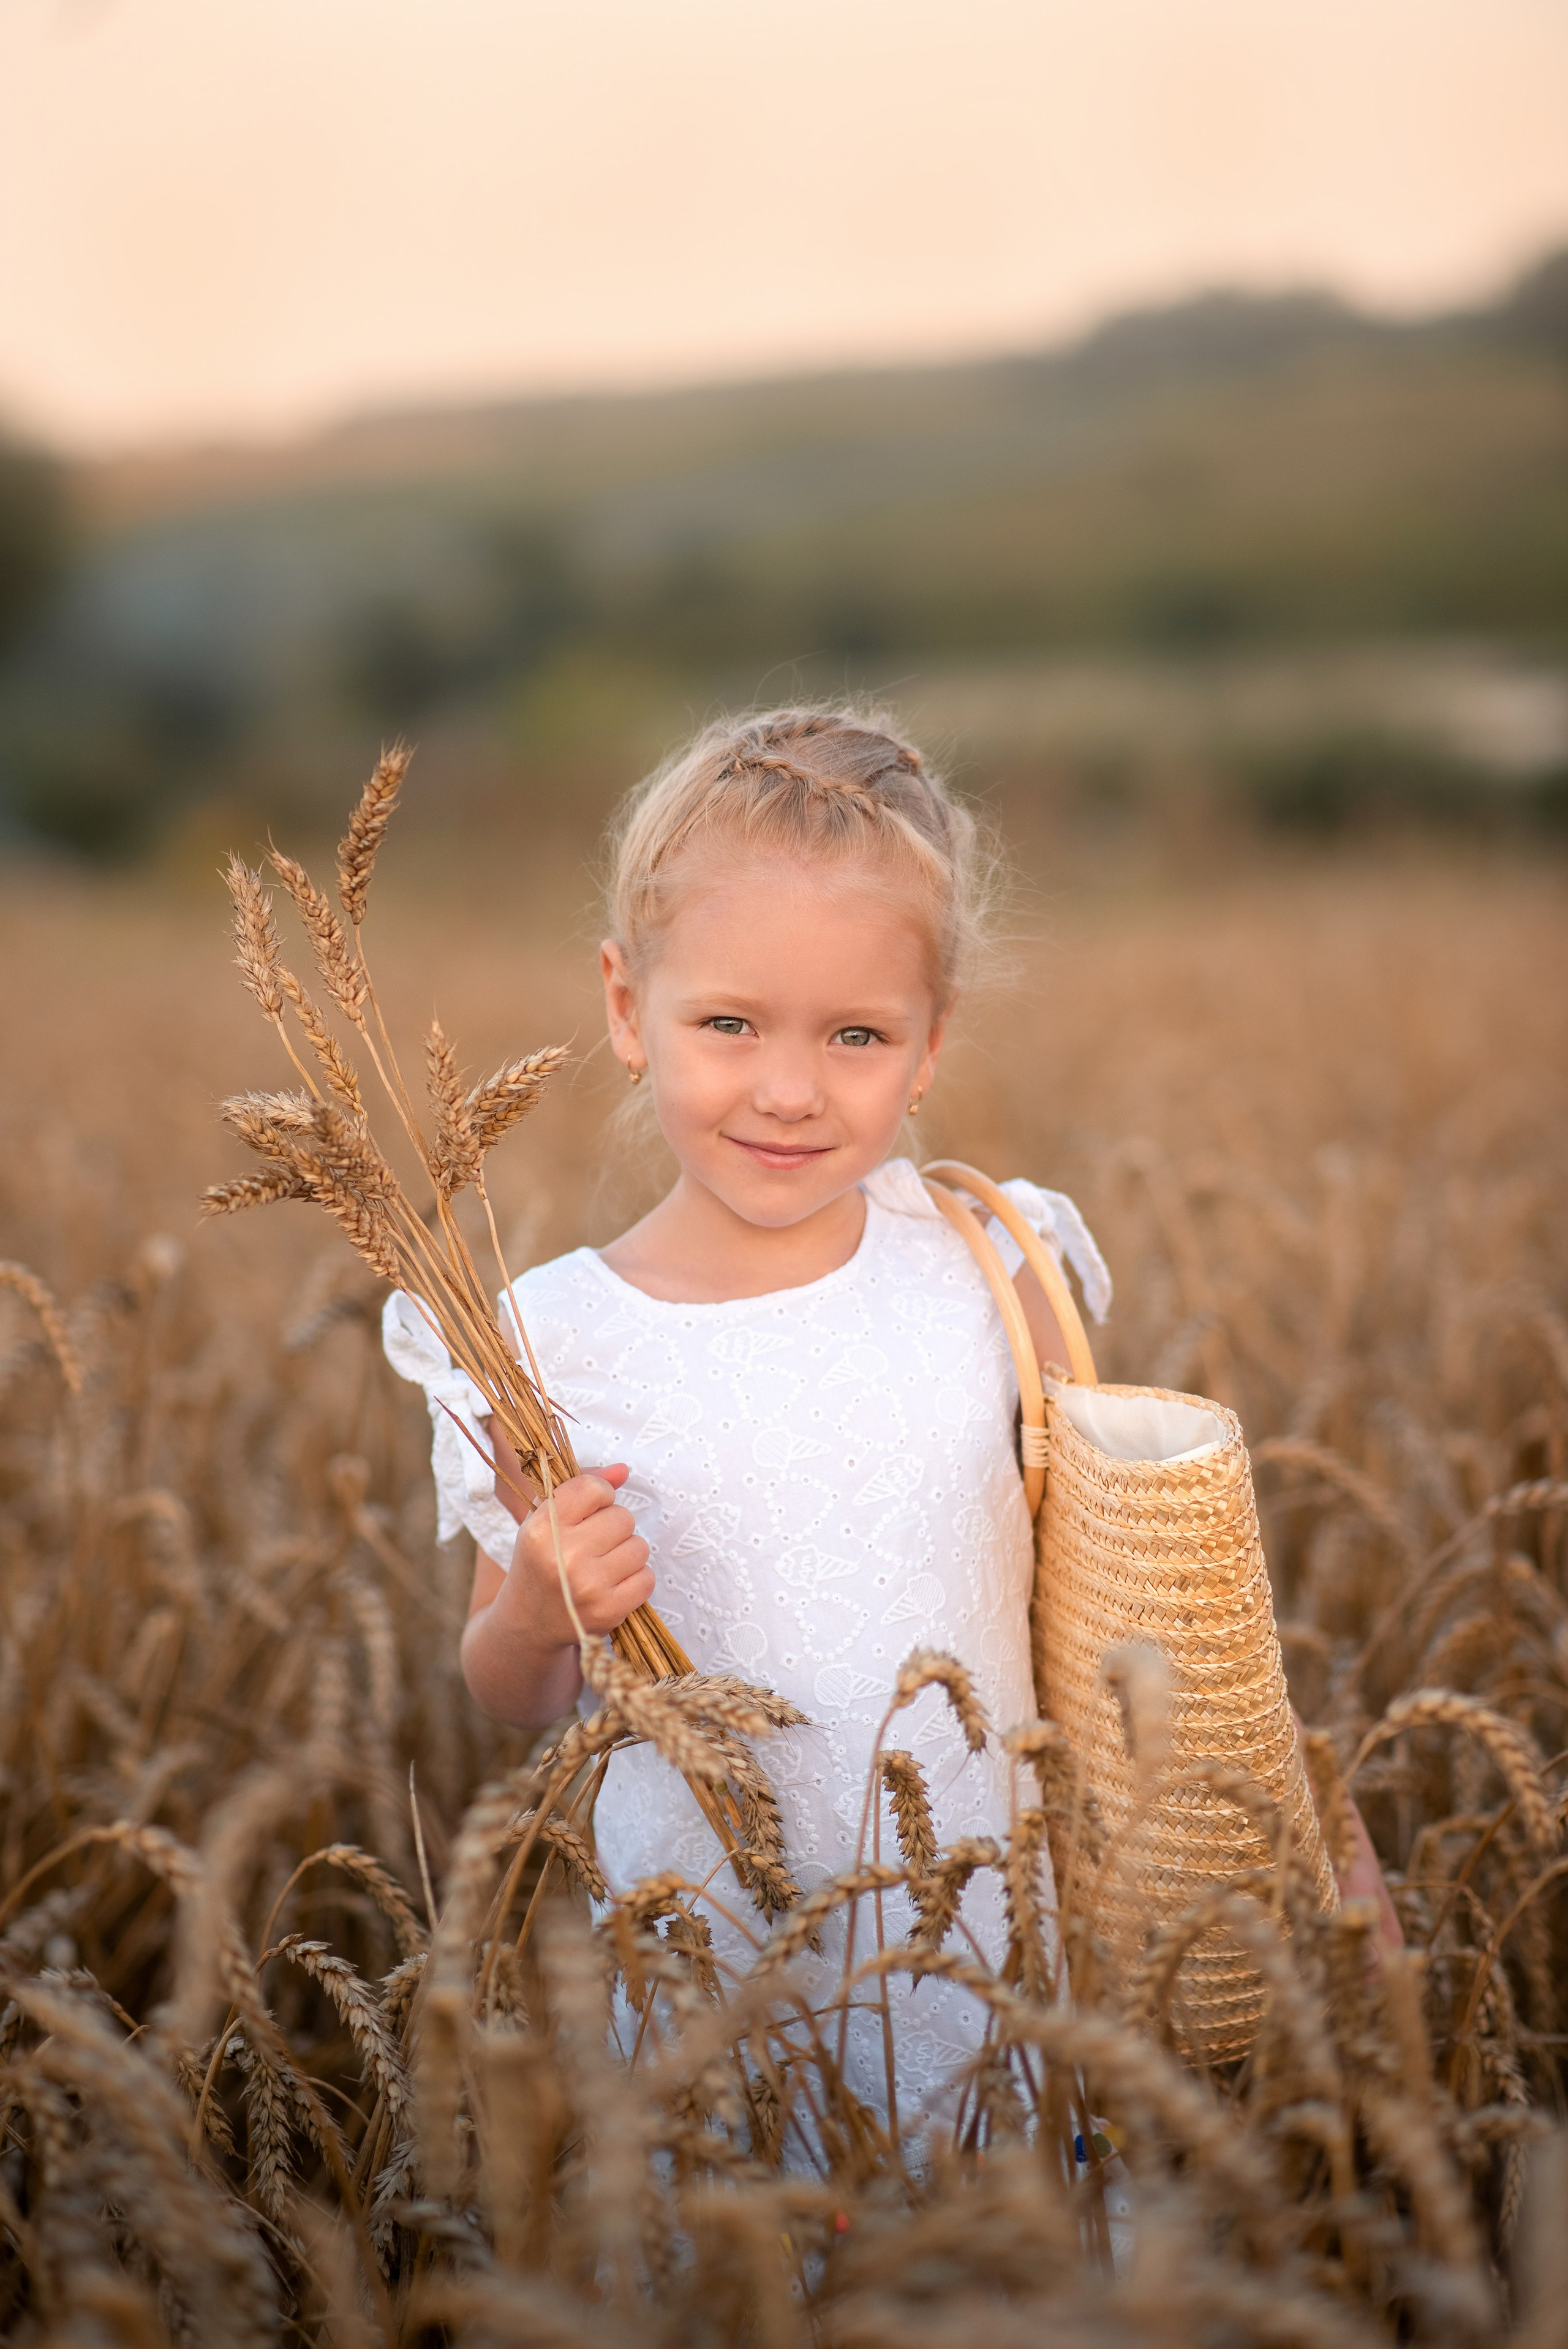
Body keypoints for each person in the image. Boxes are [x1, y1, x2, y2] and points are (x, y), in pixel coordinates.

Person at [383, 703, 1391, 2141]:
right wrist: (544, 1603)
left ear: (929, 1044)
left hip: (1000, 1963)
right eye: (726, 1023)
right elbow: (512, 1690)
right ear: (625, 1008)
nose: (787, 1088)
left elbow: (1134, 1612)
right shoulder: (546, 1343)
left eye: (855, 1033)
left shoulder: (985, 1260)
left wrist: (1316, 1843)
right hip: (719, 1984)